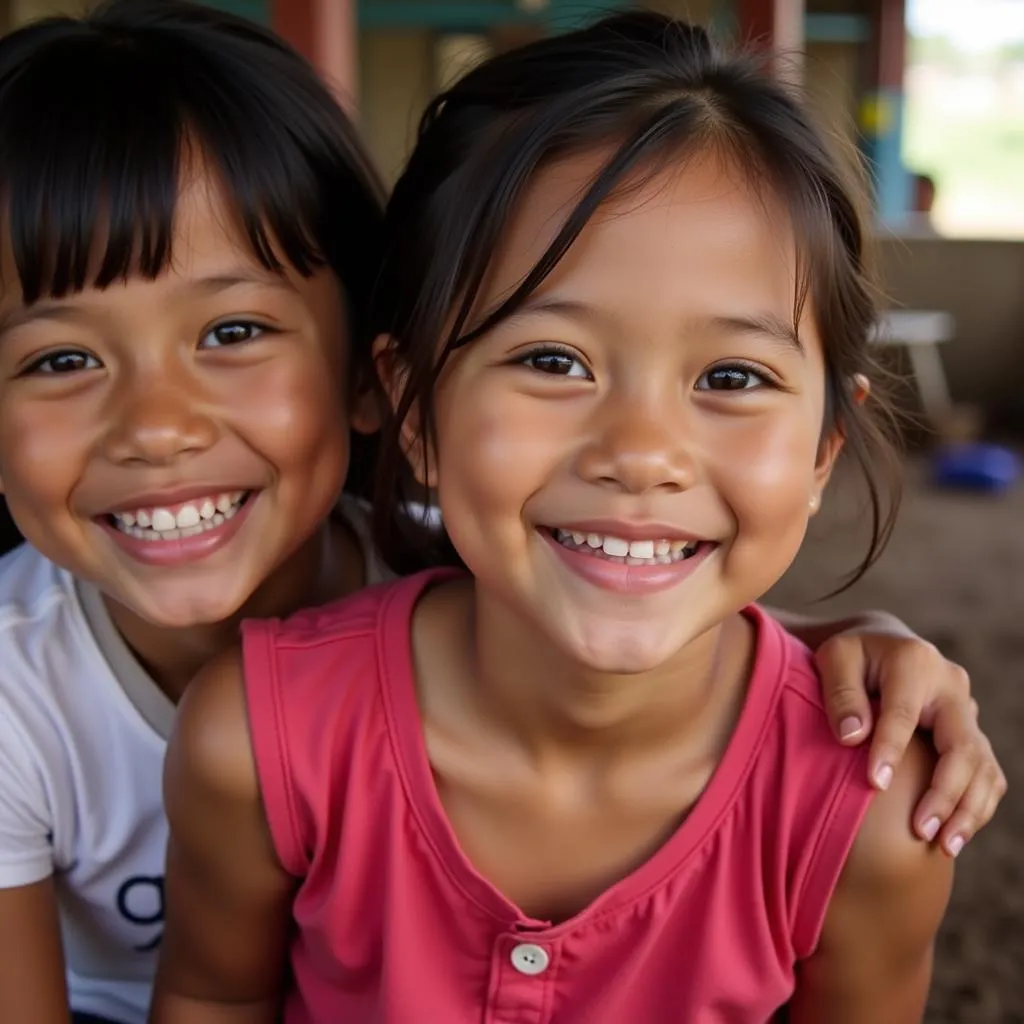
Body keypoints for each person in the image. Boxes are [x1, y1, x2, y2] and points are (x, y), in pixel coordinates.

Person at [152, 13, 998, 1022]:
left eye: (731, 376)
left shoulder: (867, 813)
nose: (640, 453)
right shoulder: (258, 737)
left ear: (823, 448)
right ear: (414, 408)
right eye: (552, 360)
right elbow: (209, 997)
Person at [0, 3, 389, 1023]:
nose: (157, 428)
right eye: (61, 359)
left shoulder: (463, 594)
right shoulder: (12, 689)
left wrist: (847, 646)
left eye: (232, 329)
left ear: (365, 367)